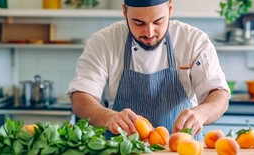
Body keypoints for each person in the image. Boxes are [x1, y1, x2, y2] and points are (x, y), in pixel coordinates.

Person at [68, 0, 230, 139]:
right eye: (139, 23)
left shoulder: (193, 40)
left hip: (181, 148)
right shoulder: (104, 42)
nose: (149, 32)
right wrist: (108, 117)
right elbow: (81, 97)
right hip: (123, 148)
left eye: (158, 21)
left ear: (170, 9)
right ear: (124, 11)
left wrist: (201, 114)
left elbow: (219, 95)